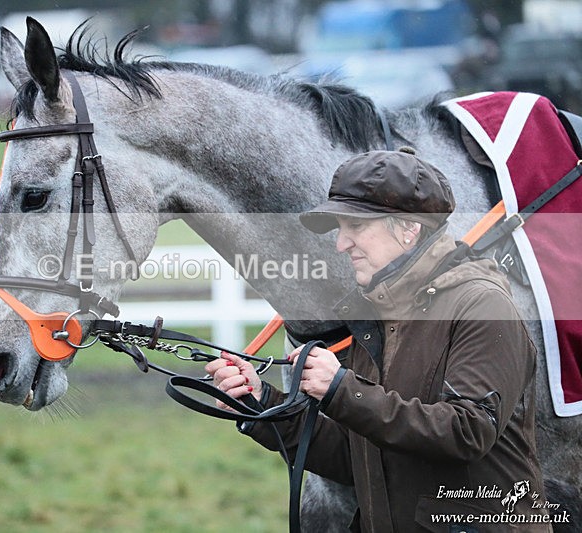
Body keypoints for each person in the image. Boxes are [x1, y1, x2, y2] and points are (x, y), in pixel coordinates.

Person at [206, 148, 549, 532]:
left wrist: (341, 389)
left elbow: (467, 432)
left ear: (408, 229)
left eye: (355, 226)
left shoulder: (481, 304)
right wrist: (260, 405)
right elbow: (357, 458)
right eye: (340, 228)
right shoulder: (376, 315)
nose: (341, 244)